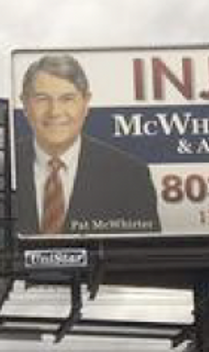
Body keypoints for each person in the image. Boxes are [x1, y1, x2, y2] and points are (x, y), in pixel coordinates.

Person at [16, 53, 161, 236]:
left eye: (67, 99)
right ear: (25, 105)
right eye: (42, 99)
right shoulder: (10, 166)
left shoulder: (130, 175)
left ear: (86, 103)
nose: (55, 111)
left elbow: (144, 254)